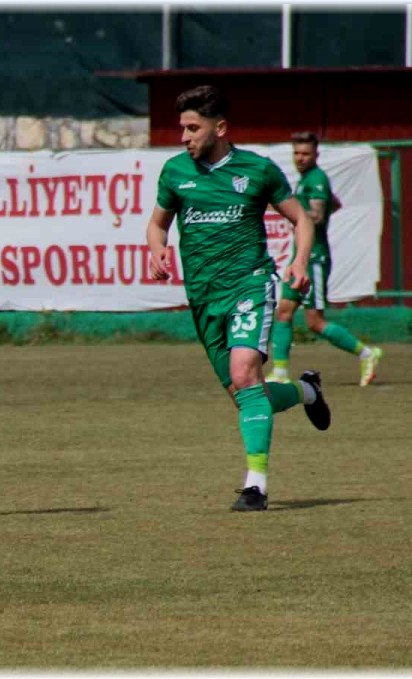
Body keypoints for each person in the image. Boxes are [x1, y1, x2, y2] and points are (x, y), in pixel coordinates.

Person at [145, 85, 332, 512]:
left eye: (193, 128)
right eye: (182, 128)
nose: (184, 137)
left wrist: (300, 261)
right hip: (203, 298)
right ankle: (307, 391)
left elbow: (302, 219)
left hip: (249, 284)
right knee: (248, 394)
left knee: (244, 372)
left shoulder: (257, 170)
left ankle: (256, 487)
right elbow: (157, 224)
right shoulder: (175, 172)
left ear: (220, 127)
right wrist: (157, 248)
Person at [267, 131, 384, 387]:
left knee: (315, 322)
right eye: (296, 153)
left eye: (305, 153)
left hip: (314, 259)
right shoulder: (306, 180)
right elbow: (335, 203)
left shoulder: (317, 178)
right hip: (300, 258)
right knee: (284, 312)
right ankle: (280, 372)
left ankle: (367, 353)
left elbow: (318, 216)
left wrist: (289, 210)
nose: (300, 158)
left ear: (316, 155)